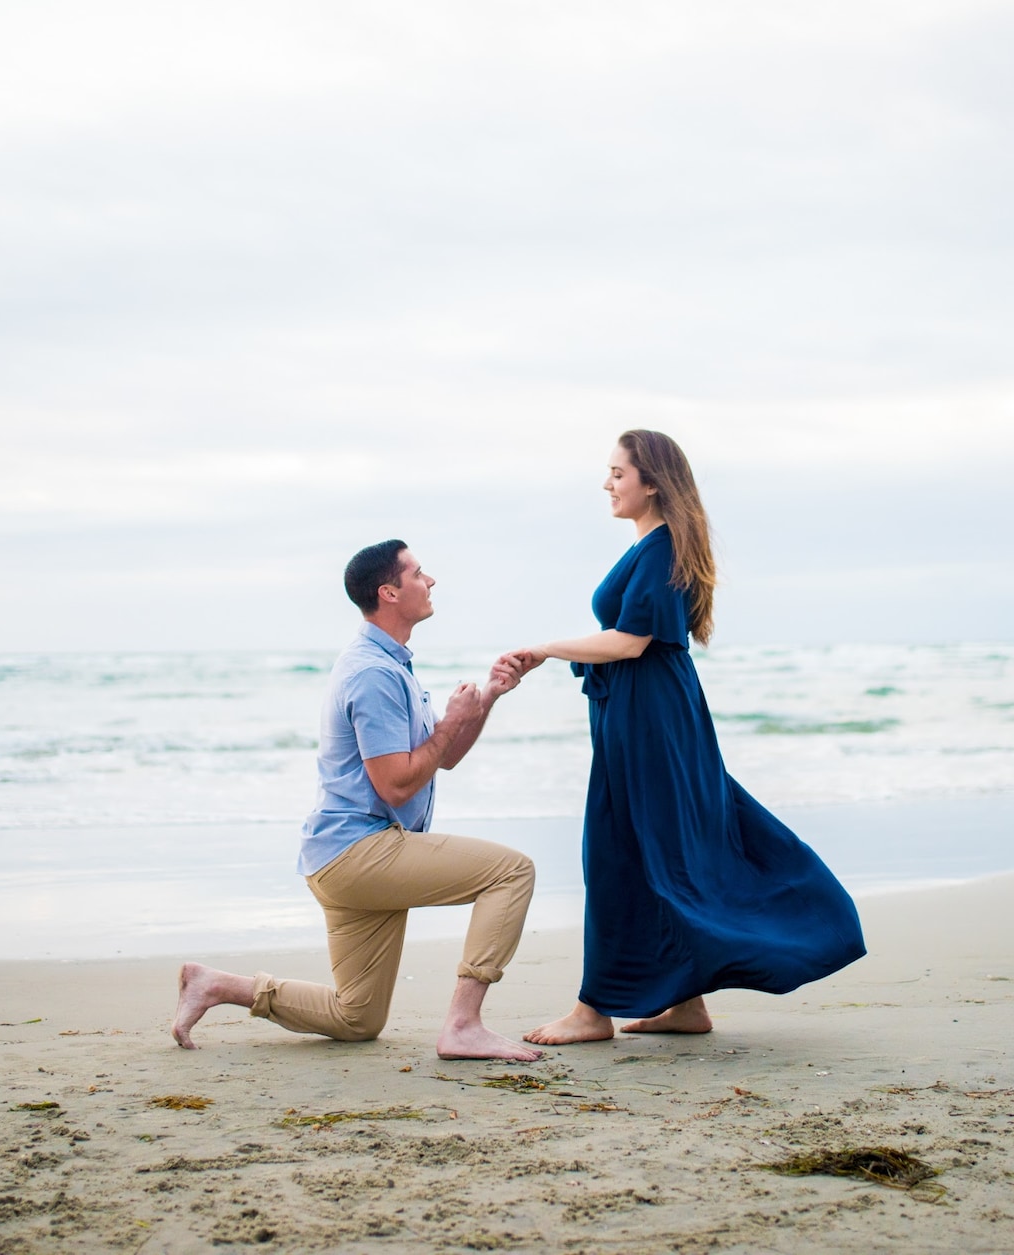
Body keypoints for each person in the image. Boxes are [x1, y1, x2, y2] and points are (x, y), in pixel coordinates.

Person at [515, 430, 866, 1045]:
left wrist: (545, 646)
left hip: (650, 718)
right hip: (646, 713)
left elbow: (631, 642)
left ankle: (593, 1012)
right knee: (657, 846)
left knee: (621, 849)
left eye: (617, 473)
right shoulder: (655, 546)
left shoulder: (660, 550)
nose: (607, 484)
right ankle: (685, 1004)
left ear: (651, 482)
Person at [172, 539, 543, 1062]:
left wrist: (488, 698)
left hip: (341, 857)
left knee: (357, 1019)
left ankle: (217, 985)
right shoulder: (372, 673)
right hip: (360, 852)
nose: (431, 580)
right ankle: (463, 1025)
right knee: (512, 872)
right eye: (419, 573)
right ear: (389, 592)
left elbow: (443, 757)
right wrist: (452, 723)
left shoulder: (389, 665)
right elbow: (396, 784)